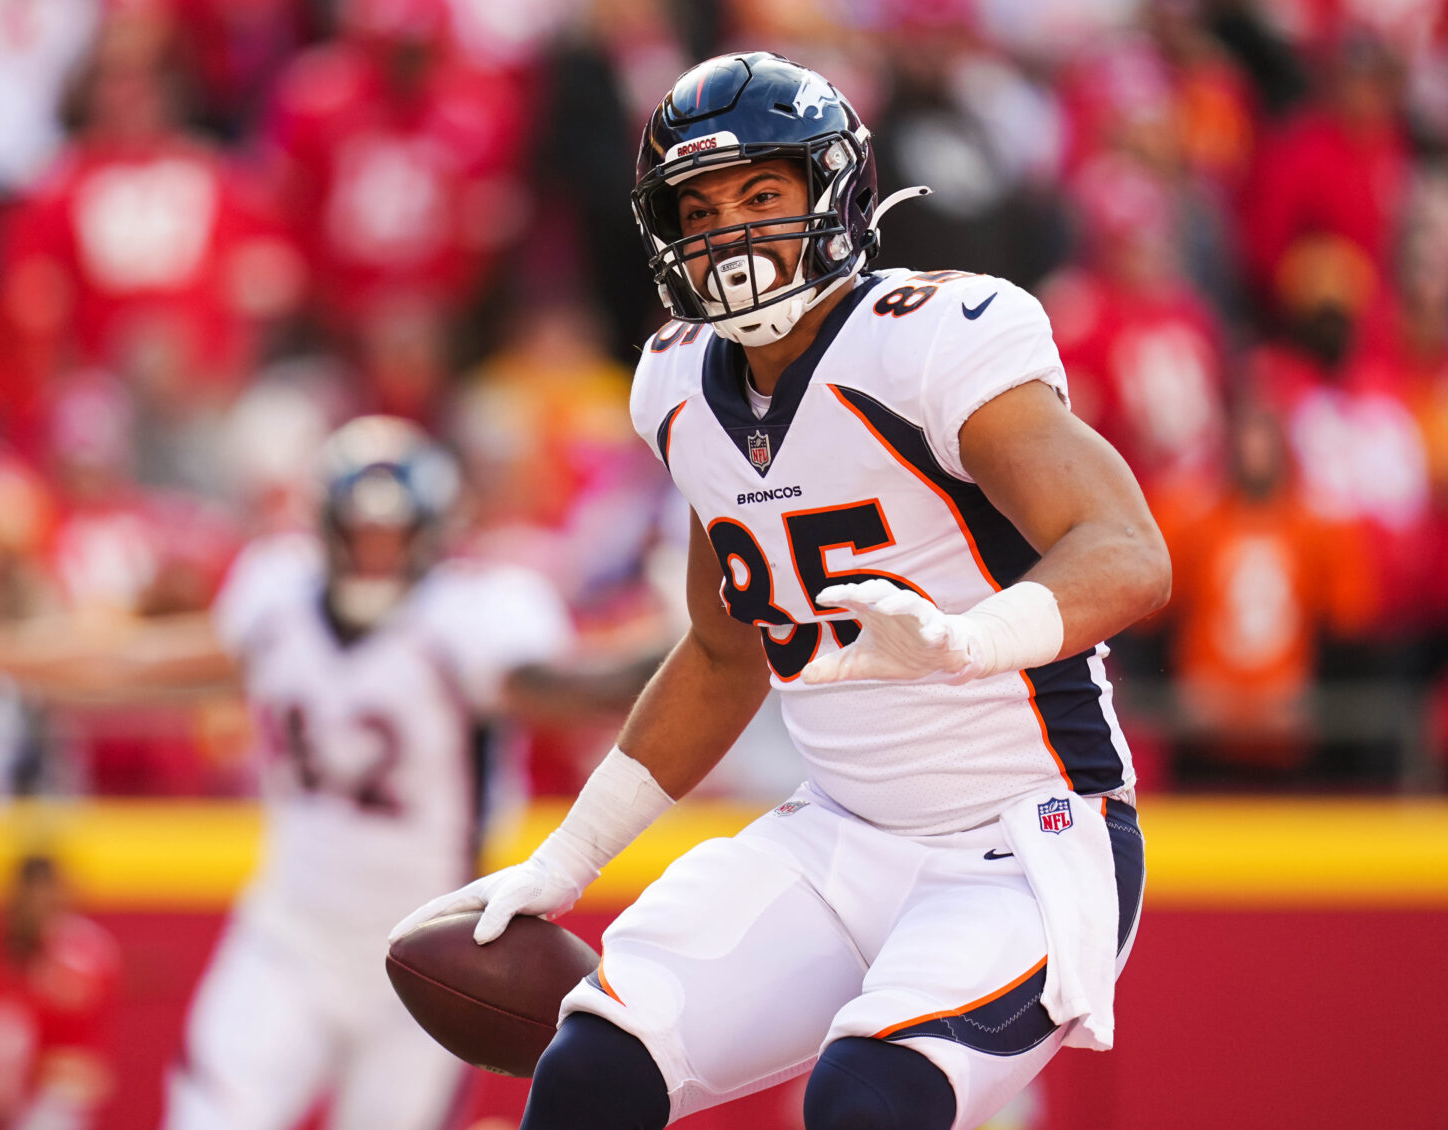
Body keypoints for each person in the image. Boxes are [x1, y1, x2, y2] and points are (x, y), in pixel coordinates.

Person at [393, 53, 1170, 1130]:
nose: (730, 230)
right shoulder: (676, 383)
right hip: (838, 830)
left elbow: (1127, 550)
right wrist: (566, 857)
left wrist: (968, 637)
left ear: (834, 195)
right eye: (699, 205)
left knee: (865, 1101)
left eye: (762, 193)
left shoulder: (929, 341)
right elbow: (722, 651)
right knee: (591, 1072)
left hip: (1022, 834)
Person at [0, 416, 598, 1130]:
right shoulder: (278, 599)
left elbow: (570, 690)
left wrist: (684, 650)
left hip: (426, 946)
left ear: (429, 533)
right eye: (360, 531)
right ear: (326, 526)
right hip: (290, 931)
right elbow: (133, 664)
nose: (375, 552)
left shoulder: (473, 616)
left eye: (392, 533)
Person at [0, 855, 120, 1130]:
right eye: (28, 904)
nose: (35, 916)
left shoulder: (79, 972)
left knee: (59, 1107)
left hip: (29, 1105)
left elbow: (86, 1075)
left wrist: (25, 1071)